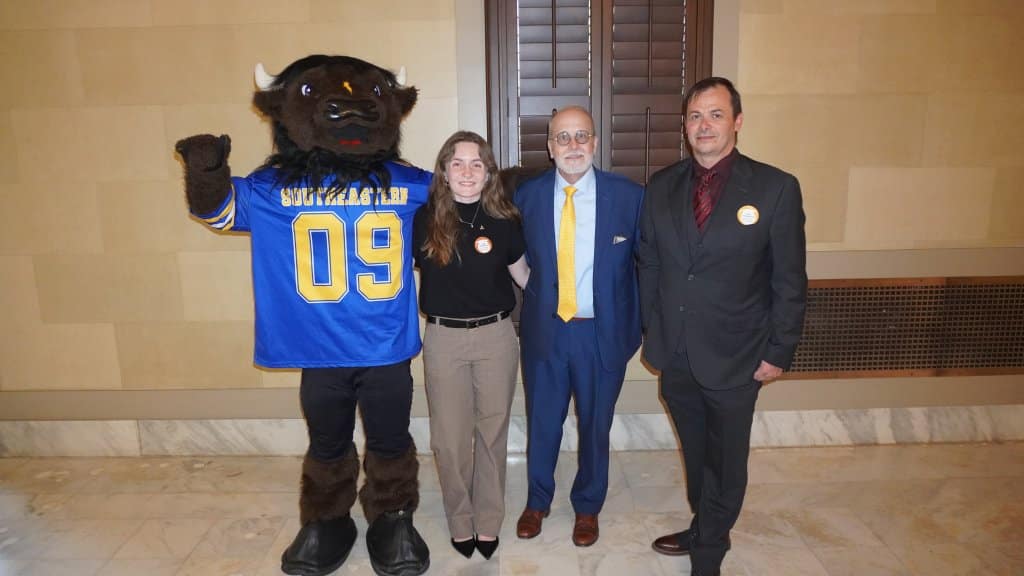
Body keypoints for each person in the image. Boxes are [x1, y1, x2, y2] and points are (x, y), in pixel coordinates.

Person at [638, 77, 807, 575]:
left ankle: (709, 551)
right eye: (694, 116)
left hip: (740, 353)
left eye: (715, 114)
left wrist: (779, 350)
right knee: (695, 451)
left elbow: (790, 279)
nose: (703, 125)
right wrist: (653, 328)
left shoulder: (775, 188)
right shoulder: (662, 185)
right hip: (678, 352)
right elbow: (649, 263)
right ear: (685, 126)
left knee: (726, 459)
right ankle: (704, 524)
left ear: (736, 121)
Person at [513, 106, 643, 547]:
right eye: (562, 138)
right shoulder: (525, 197)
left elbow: (647, 266)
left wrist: (638, 328)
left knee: (594, 425)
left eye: (581, 136)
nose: (572, 146)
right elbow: (511, 256)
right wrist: (530, 292)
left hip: (601, 335)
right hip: (546, 333)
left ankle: (587, 506)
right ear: (549, 147)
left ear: (595, 143)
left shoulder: (628, 197)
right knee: (543, 422)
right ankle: (537, 500)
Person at [413, 131, 529, 560]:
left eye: (476, 163)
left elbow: (524, 278)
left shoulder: (505, 220)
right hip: (443, 339)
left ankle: (488, 520)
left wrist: (570, 308)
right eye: (457, 163)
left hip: (496, 338)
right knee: (448, 439)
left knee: (492, 432)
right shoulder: (423, 219)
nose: (466, 171)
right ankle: (460, 519)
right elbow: (399, 279)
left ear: (488, 173)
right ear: (444, 171)